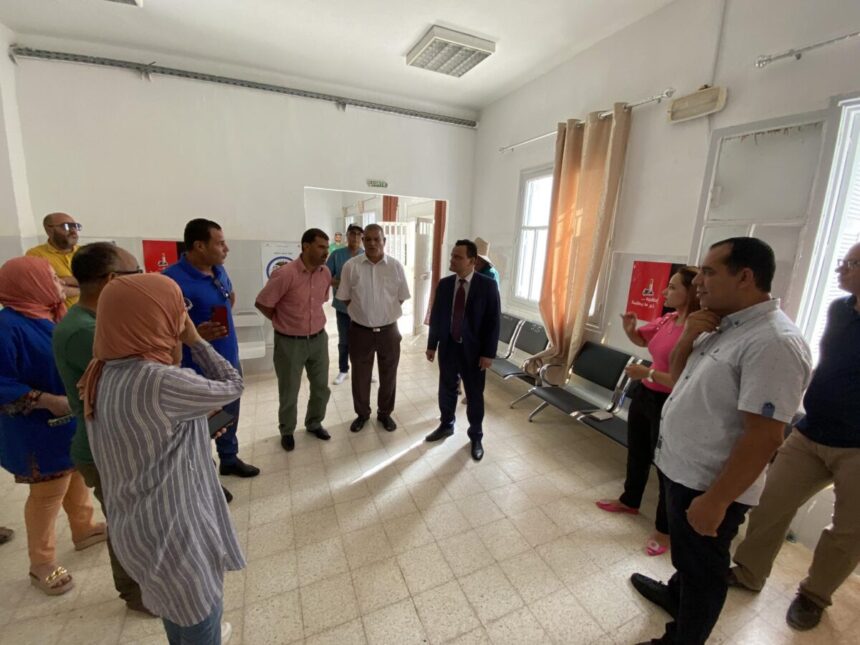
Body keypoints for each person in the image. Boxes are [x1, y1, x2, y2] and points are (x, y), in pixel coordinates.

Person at [631, 238, 812, 645]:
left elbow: (765, 436)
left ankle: (683, 639)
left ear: (745, 277)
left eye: (709, 272)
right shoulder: (721, 323)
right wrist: (686, 338)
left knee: (704, 571)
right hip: (682, 467)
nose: (698, 282)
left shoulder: (774, 342)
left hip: (710, 483)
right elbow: (681, 379)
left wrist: (716, 501)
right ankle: (675, 596)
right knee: (688, 557)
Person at [80, 273, 244, 644]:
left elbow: (147, 438)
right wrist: (195, 339)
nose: (180, 318)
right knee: (200, 612)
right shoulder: (156, 380)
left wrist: (196, 430)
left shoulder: (100, 370)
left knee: (175, 609)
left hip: (137, 526)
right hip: (175, 531)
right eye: (176, 311)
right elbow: (233, 385)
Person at [728, 242, 860, 632]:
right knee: (770, 504)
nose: (840, 270)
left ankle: (814, 596)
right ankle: (749, 572)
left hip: (857, 448)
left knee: (848, 532)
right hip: (812, 430)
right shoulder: (839, 309)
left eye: (850, 264)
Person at [52, 242, 151, 614]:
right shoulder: (85, 331)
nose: (141, 280)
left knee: (137, 520)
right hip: (105, 448)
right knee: (127, 524)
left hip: (121, 442)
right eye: (136, 274)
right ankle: (135, 594)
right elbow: (138, 382)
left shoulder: (100, 322)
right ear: (112, 281)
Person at [0, 256, 105, 596]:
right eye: (52, 278)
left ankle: (83, 528)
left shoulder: (49, 315)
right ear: (28, 285)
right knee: (47, 493)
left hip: (66, 418)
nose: (60, 284)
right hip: (35, 426)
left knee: (73, 473)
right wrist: (43, 399)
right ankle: (41, 562)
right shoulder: (8, 327)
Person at [596, 267, 700, 557]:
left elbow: (685, 379)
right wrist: (630, 330)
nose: (665, 292)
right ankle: (630, 501)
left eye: (673, 287)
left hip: (670, 402)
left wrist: (648, 373)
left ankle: (664, 530)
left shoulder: (697, 330)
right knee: (638, 452)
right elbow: (645, 341)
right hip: (646, 394)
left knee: (666, 467)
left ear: (691, 292)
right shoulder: (668, 319)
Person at [163, 219, 259, 478]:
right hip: (194, 368)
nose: (226, 249)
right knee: (200, 424)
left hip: (228, 359)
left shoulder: (219, 270)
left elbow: (230, 297)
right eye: (220, 243)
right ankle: (205, 475)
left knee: (229, 412)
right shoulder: (171, 282)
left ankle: (229, 458)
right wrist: (194, 335)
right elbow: (160, 333)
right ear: (199, 246)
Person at [256, 228, 332, 452]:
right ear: (305, 246)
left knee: (321, 387)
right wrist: (282, 321)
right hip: (289, 342)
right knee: (289, 390)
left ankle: (314, 423)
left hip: (318, 339)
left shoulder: (325, 273)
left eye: (327, 248)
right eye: (321, 247)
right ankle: (287, 430)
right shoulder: (285, 274)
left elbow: (321, 301)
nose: (325, 252)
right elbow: (263, 303)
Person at [425, 240, 500, 461]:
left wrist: (488, 353)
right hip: (448, 347)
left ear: (472, 261)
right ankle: (446, 424)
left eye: (458, 257)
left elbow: (493, 322)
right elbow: (437, 316)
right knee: (446, 388)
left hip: (474, 352)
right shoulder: (445, 284)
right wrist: (432, 344)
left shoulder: (487, 286)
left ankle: (476, 436)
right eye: (452, 255)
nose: (452, 260)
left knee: (474, 394)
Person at [336, 223, 411, 433]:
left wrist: (384, 314)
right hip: (360, 332)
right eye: (367, 239)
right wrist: (362, 314)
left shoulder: (395, 266)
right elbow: (345, 297)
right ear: (362, 241)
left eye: (376, 239)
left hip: (389, 331)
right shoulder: (351, 266)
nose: (372, 243)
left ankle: (385, 414)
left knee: (389, 375)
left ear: (384, 241)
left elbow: (401, 297)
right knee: (360, 376)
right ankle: (362, 414)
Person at [326, 224, 364, 385]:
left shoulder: (366, 255)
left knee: (363, 341)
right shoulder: (337, 255)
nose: (355, 237)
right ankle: (343, 370)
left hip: (363, 307)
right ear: (347, 236)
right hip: (343, 307)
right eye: (352, 234)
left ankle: (363, 370)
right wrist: (342, 283)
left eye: (359, 234)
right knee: (344, 340)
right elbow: (325, 277)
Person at [26, 212, 82, 308]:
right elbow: (45, 290)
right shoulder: (35, 255)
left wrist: (63, 280)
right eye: (66, 226)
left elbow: (101, 282)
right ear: (49, 230)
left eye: (75, 226)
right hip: (56, 315)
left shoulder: (87, 252)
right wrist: (86, 288)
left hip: (92, 313)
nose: (73, 231)